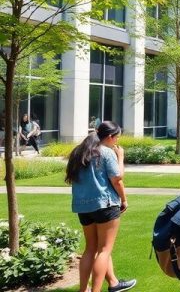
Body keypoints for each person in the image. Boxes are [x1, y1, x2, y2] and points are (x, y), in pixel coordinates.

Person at [65, 121, 136, 292]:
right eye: (116, 138)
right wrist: (120, 157)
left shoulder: (78, 152)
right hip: (105, 205)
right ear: (110, 137)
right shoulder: (106, 152)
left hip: (83, 207)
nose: (117, 142)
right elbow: (117, 178)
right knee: (104, 250)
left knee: (90, 248)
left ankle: (101, 286)